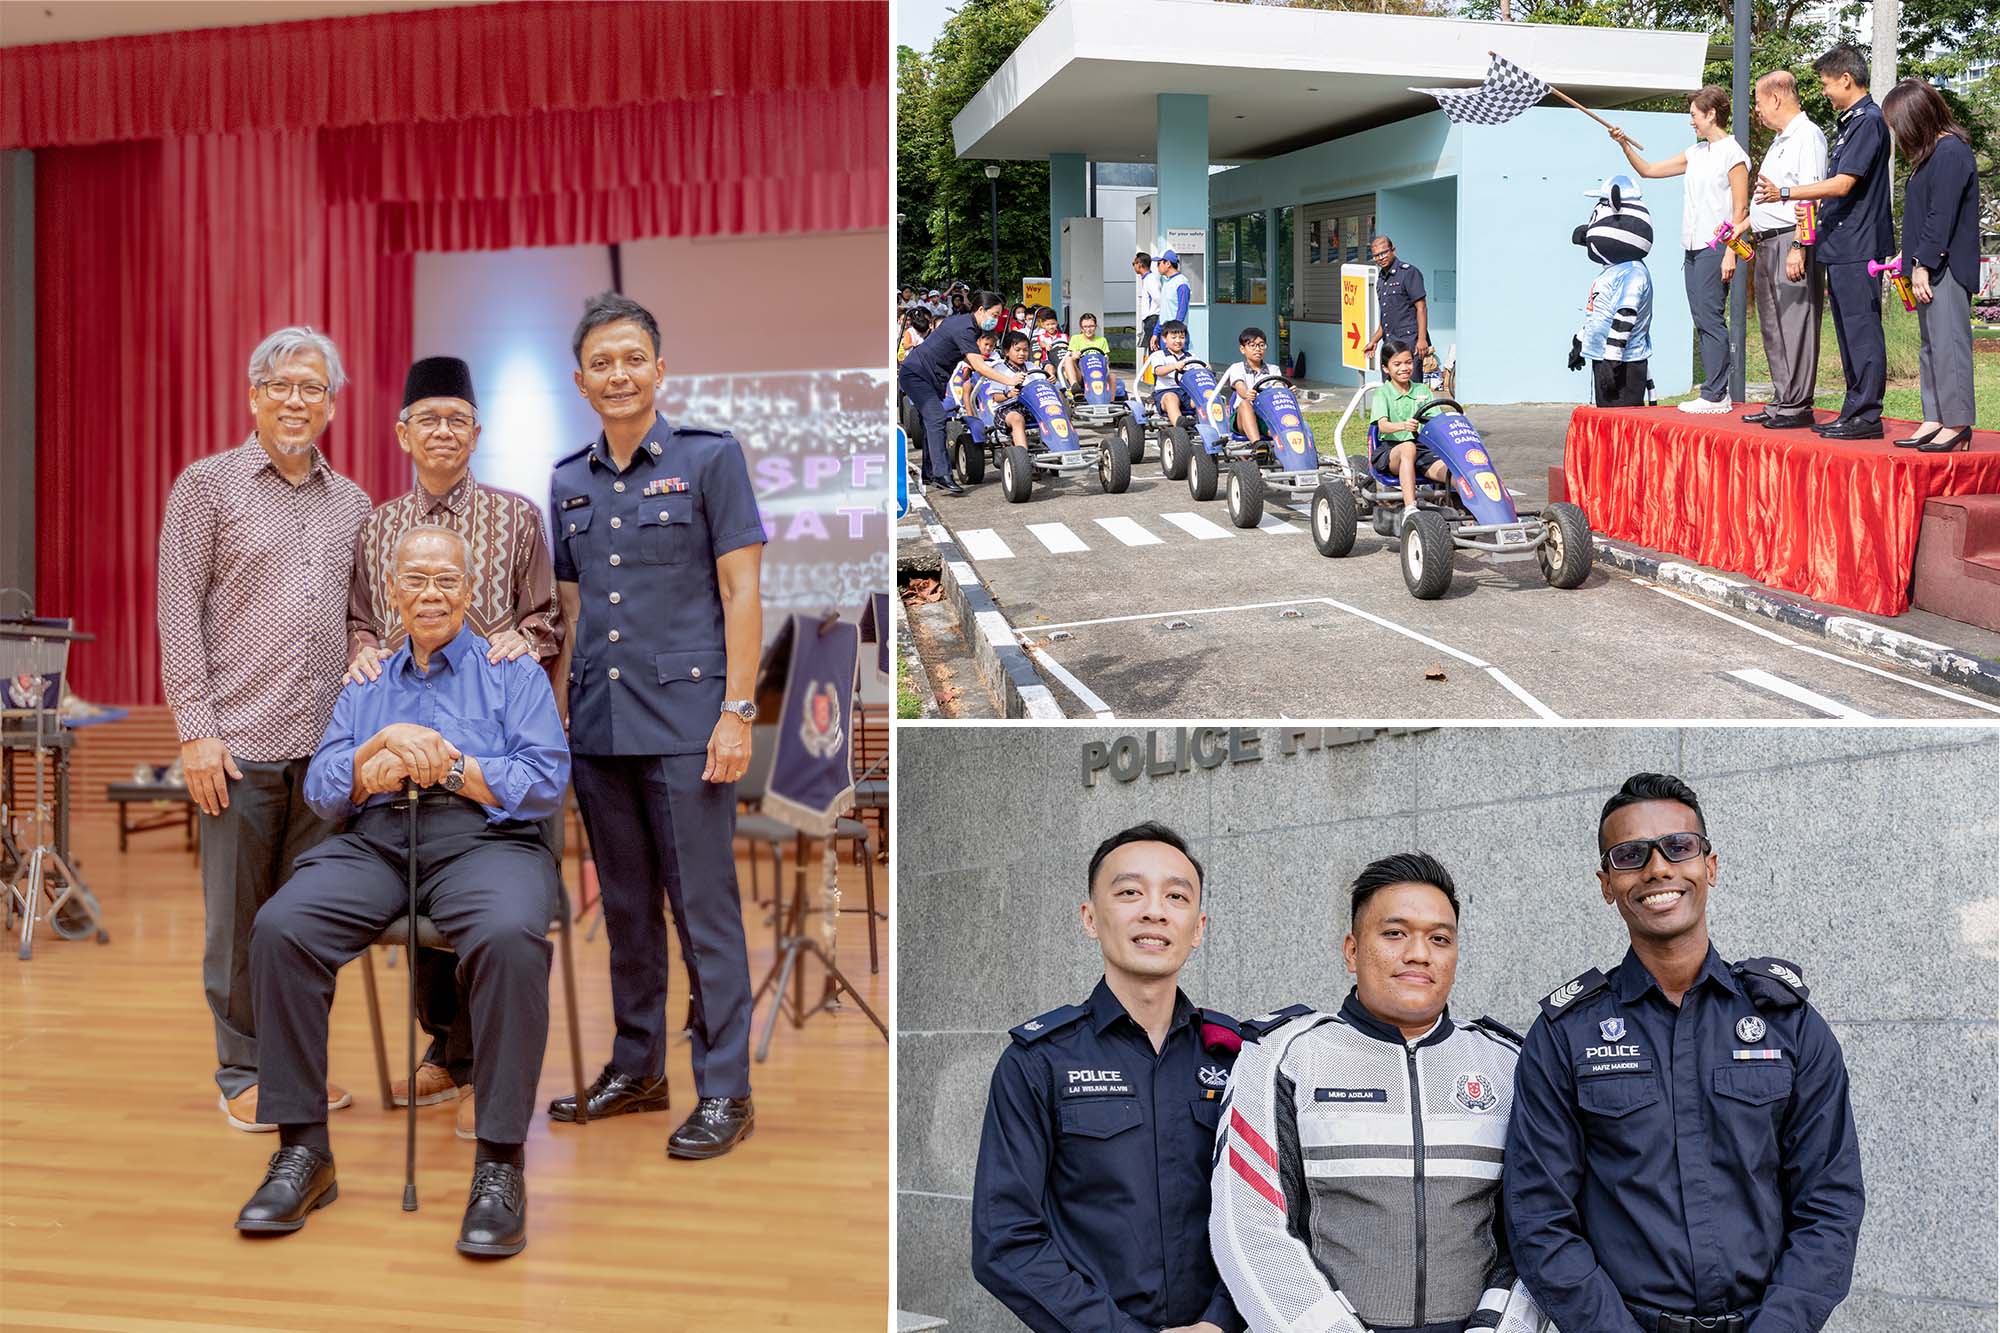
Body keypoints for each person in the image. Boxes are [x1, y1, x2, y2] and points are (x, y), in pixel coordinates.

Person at [234, 526, 569, 1256]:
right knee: (280, 925)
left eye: (446, 580)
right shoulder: (366, 678)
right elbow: (325, 790)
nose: (430, 594)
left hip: (484, 839)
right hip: (377, 840)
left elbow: (545, 778)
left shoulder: (510, 669)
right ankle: (304, 1152)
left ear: (470, 591)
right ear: (391, 591)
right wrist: (369, 759)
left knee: (513, 937)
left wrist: (449, 766)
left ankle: (501, 1164)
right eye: (415, 579)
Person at [1503, 772, 1865, 1333]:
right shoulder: (1565, 1035)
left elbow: (1829, 1205)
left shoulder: (1787, 1026)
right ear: (1606, 884)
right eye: (1630, 855)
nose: (1658, 868)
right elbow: (1539, 1217)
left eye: (1679, 847)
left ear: (1709, 867)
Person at [546, 292, 763, 1159]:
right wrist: (552, 725)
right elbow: (566, 609)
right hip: (598, 727)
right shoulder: (566, 480)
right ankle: (637, 1067)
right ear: (581, 379)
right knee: (628, 911)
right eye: (602, 362)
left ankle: (726, 1088)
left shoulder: (710, 459)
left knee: (703, 912)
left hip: (687, 725)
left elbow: (742, 592)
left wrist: (737, 711)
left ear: (660, 369)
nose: (619, 374)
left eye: (633, 358)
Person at [157, 325, 372, 1133]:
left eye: (311, 387)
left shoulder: (351, 502)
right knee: (239, 923)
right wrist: (196, 729)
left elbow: (359, 618)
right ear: (253, 396)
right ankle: (242, 1070)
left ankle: (297, 1068)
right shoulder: (206, 487)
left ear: (330, 405)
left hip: (324, 752)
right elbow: (178, 613)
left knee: (307, 919)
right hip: (237, 745)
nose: (295, 399)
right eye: (280, 384)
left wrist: (365, 649)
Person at [344, 355, 564, 1140]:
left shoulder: (516, 518)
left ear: (477, 432)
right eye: (426, 418)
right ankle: (449, 1047)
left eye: (456, 419)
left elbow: (545, 617)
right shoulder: (374, 527)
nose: (442, 431)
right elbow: (361, 619)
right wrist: (365, 649)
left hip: (493, 739)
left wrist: (511, 639)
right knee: (415, 890)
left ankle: (483, 1066)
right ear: (403, 432)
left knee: (488, 894)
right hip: (402, 741)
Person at [1211, 852, 1546, 1333]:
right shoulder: (1283, 1057)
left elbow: (1538, 1228)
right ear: (1352, 950)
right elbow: (1248, 1228)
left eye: (1439, 938)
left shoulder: (1508, 1063)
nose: (1419, 953)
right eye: (1395, 934)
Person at [971, 822, 1243, 1333]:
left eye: (1176, 896)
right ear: (1090, 918)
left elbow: (1267, 1212)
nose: (1155, 910)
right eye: (1130, 892)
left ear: (1199, 927)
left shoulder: (1237, 1059)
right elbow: (1005, 1239)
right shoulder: (1038, 1062)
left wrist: (1221, 1322)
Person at [1756, 45, 1894, 440]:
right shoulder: (1849, 124)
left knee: (1862, 329)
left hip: (1859, 243)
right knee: (1849, 334)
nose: (1826, 92)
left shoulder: (1868, 122)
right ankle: (1854, 409)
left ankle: (1867, 414)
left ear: (1846, 80)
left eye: (1827, 84)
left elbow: (1843, 183)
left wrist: (1786, 192)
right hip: (1842, 243)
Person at [1609, 87, 1751, 414]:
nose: (1692, 121)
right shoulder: (1696, 153)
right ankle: (1714, 391)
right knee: (1701, 318)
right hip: (1690, 247)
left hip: (1715, 248)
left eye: (1694, 115)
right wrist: (1623, 144)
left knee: (1711, 318)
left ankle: (1717, 394)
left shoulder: (1734, 154)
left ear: (1711, 114)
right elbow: (1649, 170)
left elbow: (1739, 210)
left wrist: (1731, 252)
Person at [1883, 77, 1979, 452]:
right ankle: (1935, 416)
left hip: (1947, 267)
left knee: (1950, 343)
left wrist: (1923, 262)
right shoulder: (1930, 156)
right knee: (1931, 345)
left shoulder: (1952, 152)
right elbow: (1924, 216)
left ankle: (1957, 423)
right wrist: (1907, 258)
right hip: (1929, 264)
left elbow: (1942, 215)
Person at [1740, 71, 1829, 432]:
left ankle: (1797, 403)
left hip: (1790, 238)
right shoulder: (1780, 140)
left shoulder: (1807, 136)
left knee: (1795, 323)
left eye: (1760, 103)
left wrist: (1798, 245)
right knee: (1773, 325)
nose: (1758, 111)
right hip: (1767, 240)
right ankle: (1782, 397)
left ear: (1776, 98)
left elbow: (1812, 193)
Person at [898, 288, 1020, 496]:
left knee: (932, 423)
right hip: (916, 374)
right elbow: (979, 366)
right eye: (994, 315)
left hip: (933, 377)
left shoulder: (965, 322)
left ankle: (929, 472)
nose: (996, 320)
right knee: (937, 418)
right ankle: (942, 475)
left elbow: (960, 353)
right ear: (981, 310)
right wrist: (1009, 380)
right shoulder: (965, 328)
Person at [1568, 175, 1656, 408]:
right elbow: (1601, 314)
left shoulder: (1633, 272)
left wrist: (1612, 359)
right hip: (1603, 358)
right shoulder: (1611, 272)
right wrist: (1581, 340)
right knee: (1607, 425)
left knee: (1624, 425)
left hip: (1625, 364)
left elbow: (1625, 315)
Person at [1370, 342, 1447, 528]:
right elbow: (1382, 426)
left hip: (1421, 451)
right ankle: (1410, 509)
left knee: (1453, 471)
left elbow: (1436, 420)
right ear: (1385, 368)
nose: (1404, 368)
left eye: (1408, 362)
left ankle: (1474, 514)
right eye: (1397, 364)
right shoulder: (1382, 393)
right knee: (1408, 447)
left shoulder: (1422, 390)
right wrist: (1403, 426)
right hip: (1391, 452)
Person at [1362, 235, 1431, 375]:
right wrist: (1374, 341)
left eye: (1384, 252)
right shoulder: (1381, 279)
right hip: (1390, 343)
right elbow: (1386, 319)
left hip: (1409, 342)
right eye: (1376, 255)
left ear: (1393, 250)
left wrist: (1422, 339)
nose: (1380, 258)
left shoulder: (1409, 273)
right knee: (1390, 388)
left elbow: (1421, 307)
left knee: (1411, 387)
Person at [1217, 326, 1275, 443]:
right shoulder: (1237, 368)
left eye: (1261, 345)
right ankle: (1257, 445)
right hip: (1242, 416)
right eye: (1252, 345)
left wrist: (1287, 390)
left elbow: (1278, 385)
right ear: (1243, 349)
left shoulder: (1274, 369)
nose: (1257, 349)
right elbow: (1240, 386)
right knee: (1245, 404)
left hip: (1267, 415)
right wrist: (1247, 394)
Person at [1144, 319, 1196, 430]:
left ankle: (1213, 427)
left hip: (1187, 393)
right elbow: (1158, 371)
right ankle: (1181, 427)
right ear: (1164, 339)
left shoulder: (1191, 356)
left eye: (1182, 337)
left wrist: (1206, 368)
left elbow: (1198, 371)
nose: (1178, 341)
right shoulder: (1159, 355)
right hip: (1166, 392)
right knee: (1171, 397)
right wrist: (1174, 366)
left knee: (1205, 396)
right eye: (1174, 337)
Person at [993, 331, 1040, 453]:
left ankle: (1059, 448)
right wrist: (1009, 394)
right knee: (1017, 419)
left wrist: (1050, 380)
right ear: (1007, 352)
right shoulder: (1000, 370)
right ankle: (1022, 456)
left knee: (1053, 411)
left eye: (1025, 350)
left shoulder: (1032, 367)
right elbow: (996, 397)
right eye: (1017, 350)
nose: (1022, 353)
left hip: (1031, 406)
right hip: (1007, 409)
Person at [1057, 311, 1112, 392]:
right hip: (1081, 375)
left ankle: (1111, 400)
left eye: (1091, 326)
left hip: (1098, 374)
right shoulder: (1075, 338)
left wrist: (1106, 359)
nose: (1088, 329)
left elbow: (1106, 361)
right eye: (1085, 327)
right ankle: (1074, 386)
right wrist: (1074, 356)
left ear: (1095, 326)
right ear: (1081, 328)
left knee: (1113, 377)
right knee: (1068, 359)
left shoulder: (1102, 340)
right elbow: (1072, 356)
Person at [1157, 250, 1192, 344]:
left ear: (1168, 263)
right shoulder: (1166, 282)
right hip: (1166, 334)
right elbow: (1163, 312)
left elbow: (1182, 310)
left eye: (1159, 263)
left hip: (1176, 336)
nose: (1157, 267)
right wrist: (1156, 333)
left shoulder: (1181, 283)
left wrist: (1175, 334)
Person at [1135, 250, 1162, 361]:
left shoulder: (1150, 280)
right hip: (1149, 320)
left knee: (1154, 352)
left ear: (1140, 264)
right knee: (1152, 352)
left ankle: (1157, 376)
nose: (1133, 266)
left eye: (1134, 263)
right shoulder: (1147, 279)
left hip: (1153, 320)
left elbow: (1158, 299)